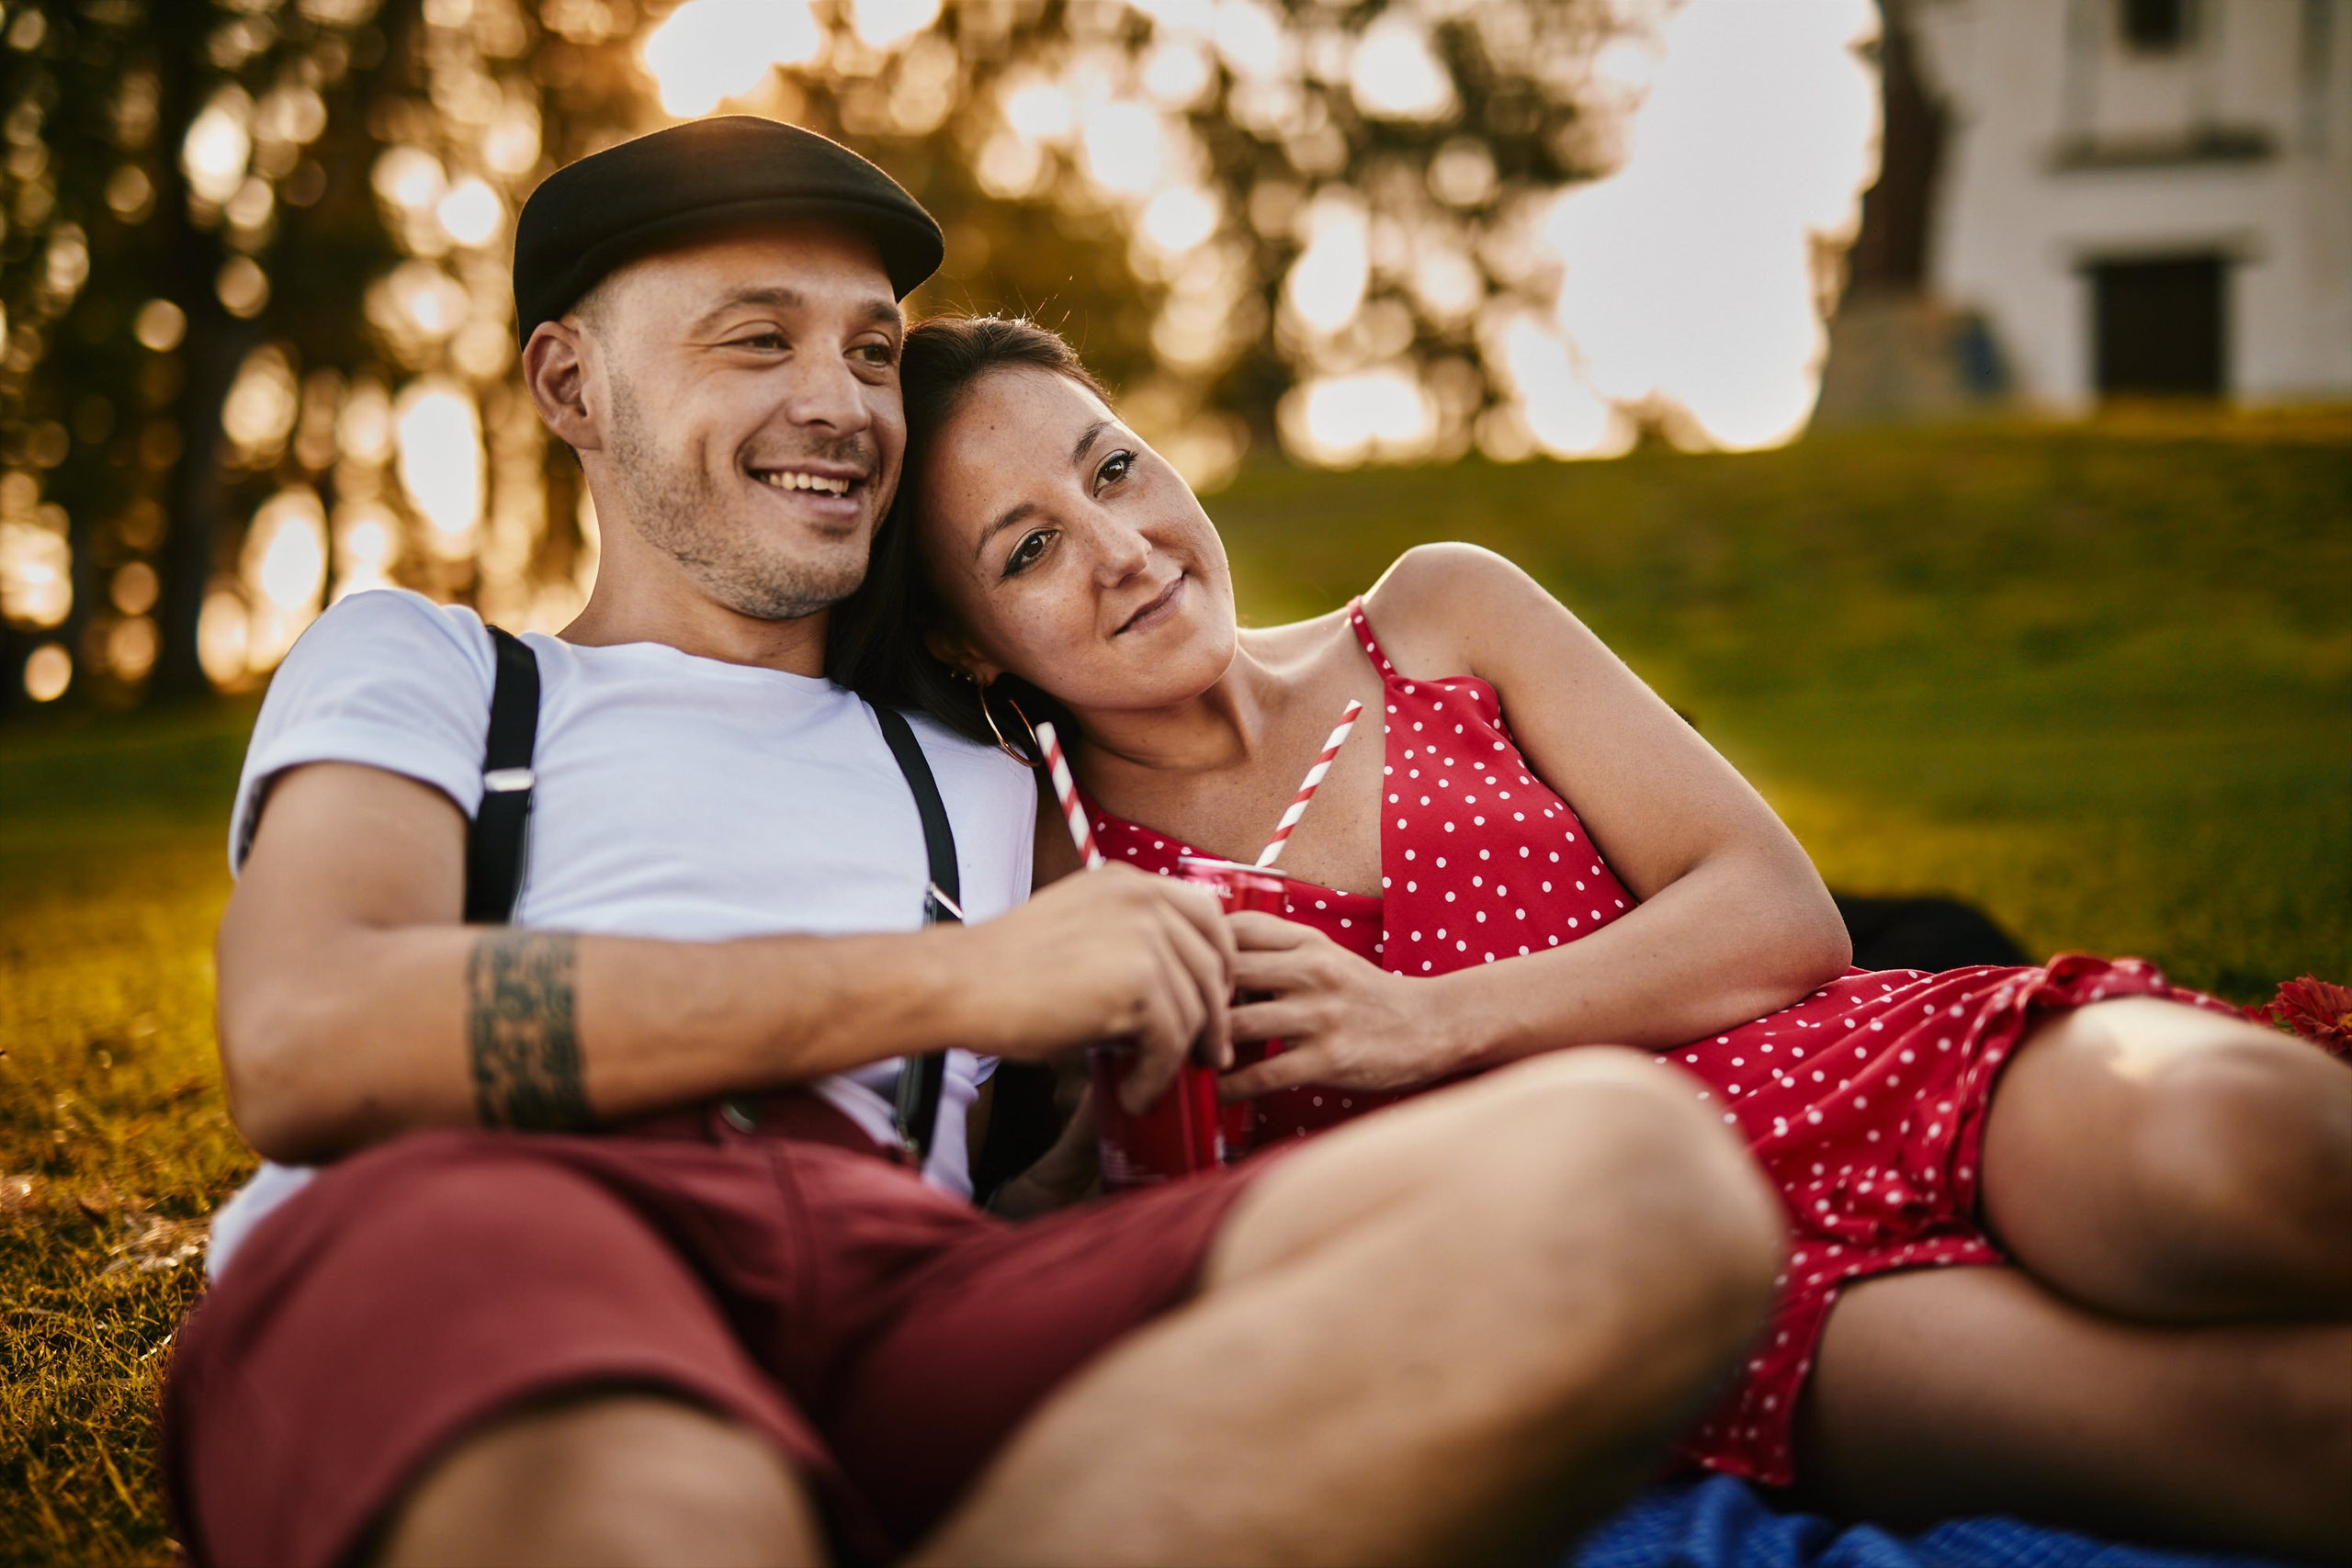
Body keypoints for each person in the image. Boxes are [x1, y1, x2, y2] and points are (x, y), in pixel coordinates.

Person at [163, 119, 1786, 1568]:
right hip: (500, 1214)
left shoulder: (1005, 779)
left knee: (1634, 1189)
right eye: (757, 341)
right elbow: (313, 1036)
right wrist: (948, 984)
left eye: (872, 352)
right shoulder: (442, 669)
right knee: (672, 1516)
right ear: (571, 384)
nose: (842, 405)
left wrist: (1103, 1124)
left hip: (909, 1287)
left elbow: (1094, 1141)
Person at [831, 314, 2352, 1563]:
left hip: (1838, 1064)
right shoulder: (1045, 862)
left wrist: (1432, 1018)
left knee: (2257, 1161)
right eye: (1027, 550)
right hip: (1710, 1287)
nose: (1121, 545)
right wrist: (1090, 1137)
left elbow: (1776, 910)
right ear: (969, 638)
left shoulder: (1433, 612)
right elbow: (1022, 1210)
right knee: (2289, 1435)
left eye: (1115, 468)